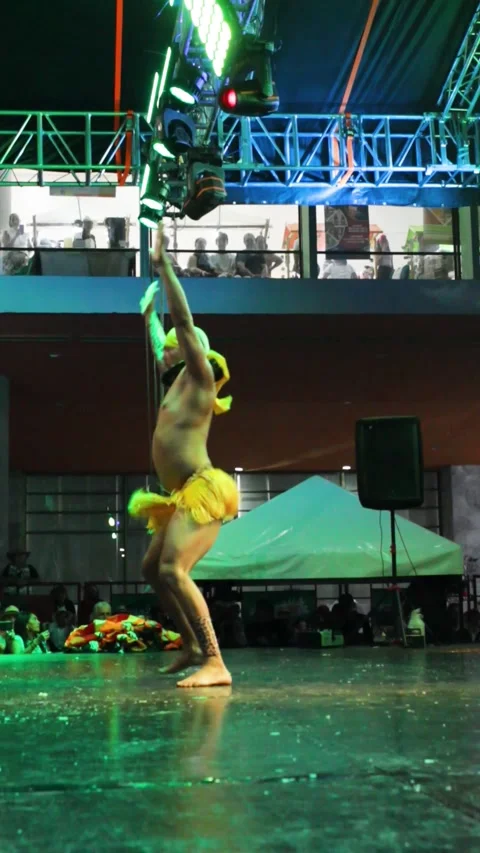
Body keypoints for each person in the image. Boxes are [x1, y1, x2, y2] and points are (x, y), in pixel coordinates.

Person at [128, 223, 238, 688]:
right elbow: (162, 343)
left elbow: (184, 323)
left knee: (174, 568)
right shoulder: (174, 380)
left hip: (202, 490)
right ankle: (191, 645)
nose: (167, 352)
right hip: (180, 494)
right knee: (152, 569)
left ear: (190, 352)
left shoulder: (200, 379)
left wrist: (164, 267)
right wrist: (148, 318)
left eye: (174, 348)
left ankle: (215, 661)